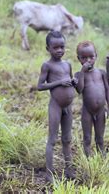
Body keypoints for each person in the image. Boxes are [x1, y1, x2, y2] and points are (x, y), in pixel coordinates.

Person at [37, 31, 76, 183]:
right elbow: (40, 86)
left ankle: (69, 169)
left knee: (67, 139)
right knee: (52, 139)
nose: (59, 50)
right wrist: (59, 83)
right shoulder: (47, 66)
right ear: (48, 49)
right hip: (56, 106)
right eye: (55, 48)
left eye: (62, 47)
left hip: (68, 107)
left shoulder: (67, 64)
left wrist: (75, 81)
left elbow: (70, 80)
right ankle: (49, 173)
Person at [74, 41, 109, 157]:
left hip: (101, 111)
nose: (88, 61)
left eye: (91, 57)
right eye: (84, 58)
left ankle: (102, 160)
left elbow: (107, 90)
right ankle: (88, 161)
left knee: (100, 138)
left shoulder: (101, 73)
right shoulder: (78, 75)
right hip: (87, 111)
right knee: (87, 138)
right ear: (78, 58)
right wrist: (82, 72)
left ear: (96, 55)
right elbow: (79, 89)